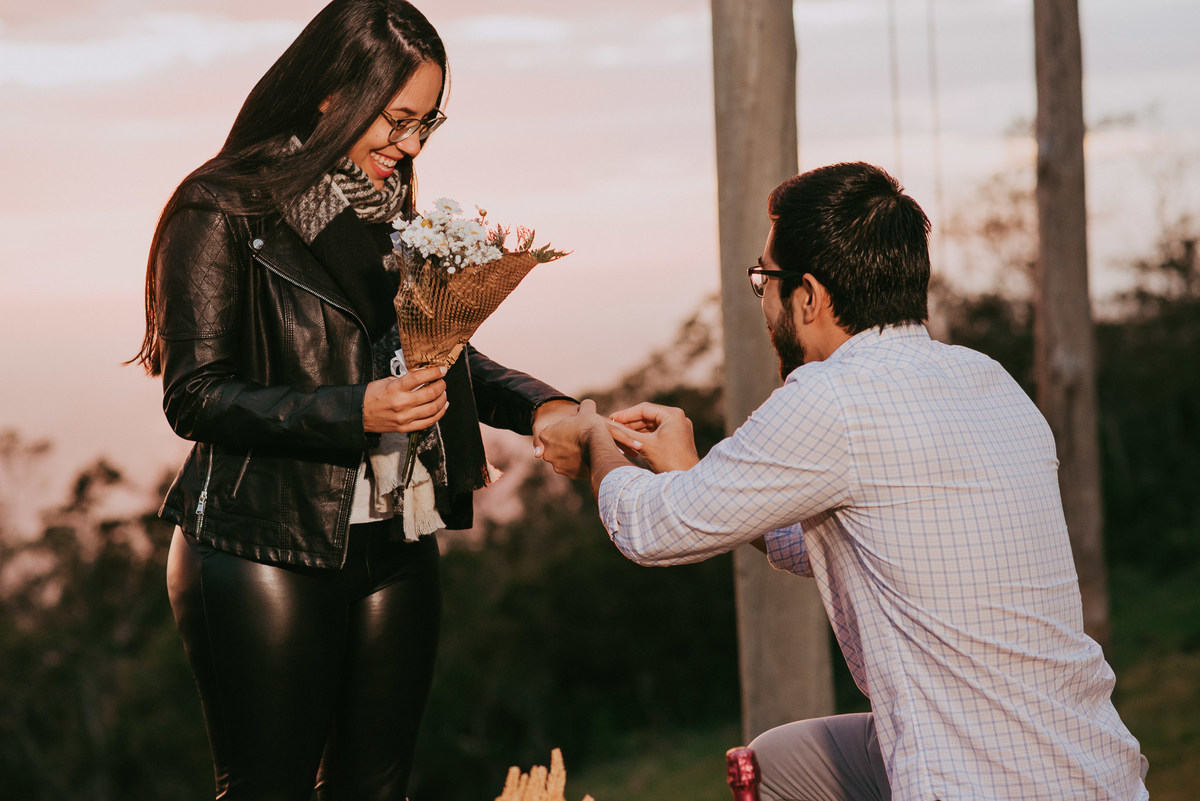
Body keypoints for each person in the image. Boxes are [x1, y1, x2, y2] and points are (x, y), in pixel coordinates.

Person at [536, 162, 1149, 801]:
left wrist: (594, 439)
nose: (765, 301)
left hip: (972, 781)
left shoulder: (834, 396)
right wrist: (697, 477)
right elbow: (838, 542)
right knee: (777, 763)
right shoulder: (991, 382)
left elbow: (650, 529)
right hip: (1094, 768)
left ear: (808, 296)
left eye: (763, 280)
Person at [132, 2, 576, 798]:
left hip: (397, 544)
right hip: (261, 544)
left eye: (426, 125)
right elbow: (194, 396)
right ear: (333, 92)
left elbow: (436, 349)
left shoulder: (390, 216)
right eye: (397, 118)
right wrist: (354, 411)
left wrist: (542, 406)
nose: (409, 145)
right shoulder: (222, 204)